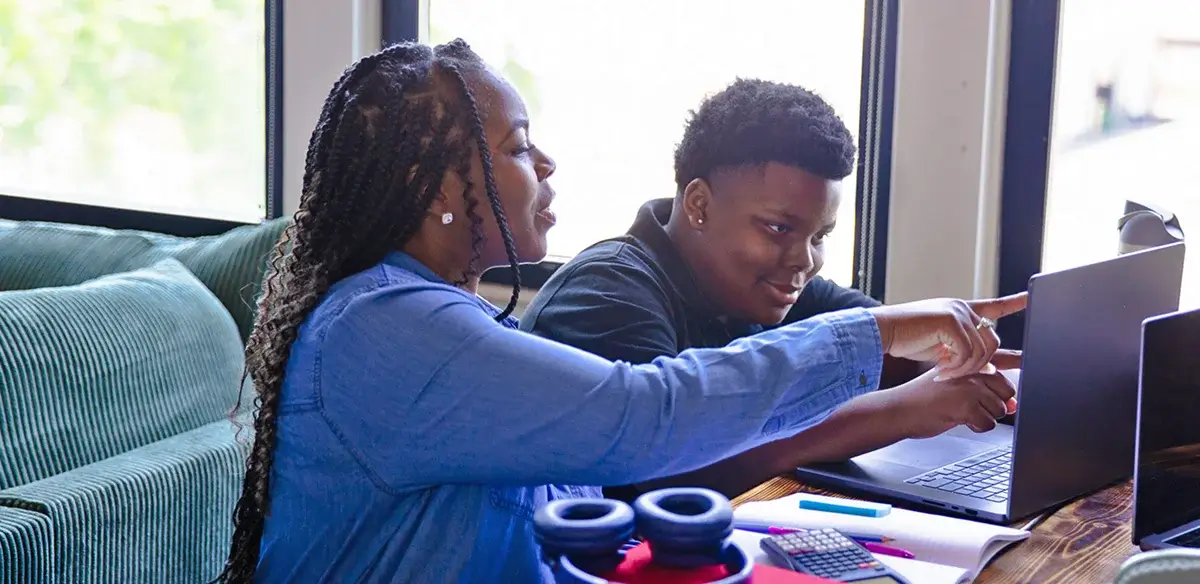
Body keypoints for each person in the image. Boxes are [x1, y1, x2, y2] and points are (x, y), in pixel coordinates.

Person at [215, 40, 1015, 584]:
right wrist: (876, 336)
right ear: (437, 190)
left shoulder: (437, 315)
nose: (547, 161)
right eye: (520, 144)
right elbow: (642, 417)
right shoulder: (384, 329)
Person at [520, 78, 1024, 500]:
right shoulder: (604, 295)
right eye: (779, 229)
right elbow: (667, 468)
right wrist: (902, 412)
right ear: (699, 205)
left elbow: (885, 352)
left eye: (820, 236)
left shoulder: (769, 286)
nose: (804, 260)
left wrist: (965, 361)